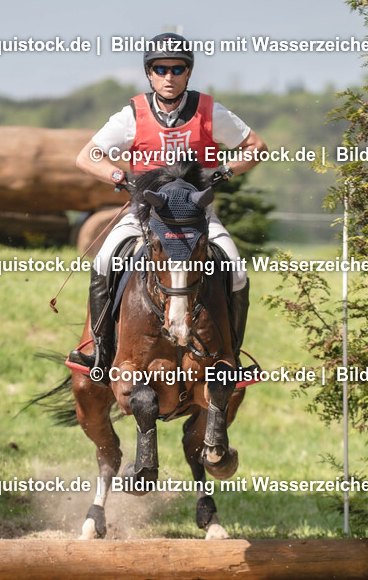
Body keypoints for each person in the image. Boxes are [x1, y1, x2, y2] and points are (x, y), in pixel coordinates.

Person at [69, 31, 268, 377]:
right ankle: (101, 353)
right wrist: (121, 178)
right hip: (145, 215)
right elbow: (87, 158)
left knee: (236, 268)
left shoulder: (209, 111)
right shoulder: (131, 115)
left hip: (197, 216)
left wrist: (223, 173)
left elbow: (256, 148)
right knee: (103, 260)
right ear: (149, 73)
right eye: (160, 69)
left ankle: (231, 360)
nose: (169, 77)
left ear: (188, 73)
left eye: (177, 69)